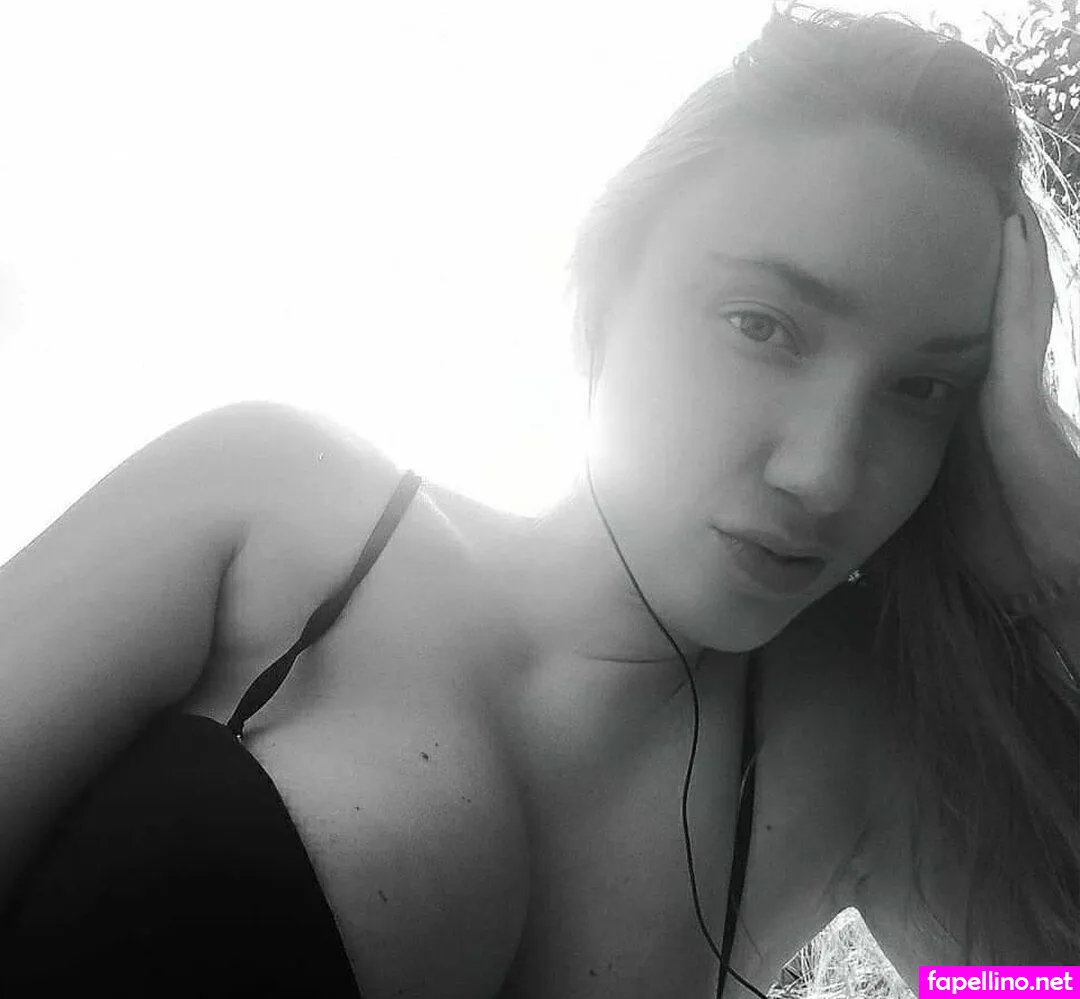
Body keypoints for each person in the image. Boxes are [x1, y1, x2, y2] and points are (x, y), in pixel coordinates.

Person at [1, 4, 1077, 997]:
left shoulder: (860, 751)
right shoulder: (275, 510)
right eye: (764, 325)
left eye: (924, 390)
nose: (825, 473)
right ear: (608, 286)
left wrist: (1066, 569)